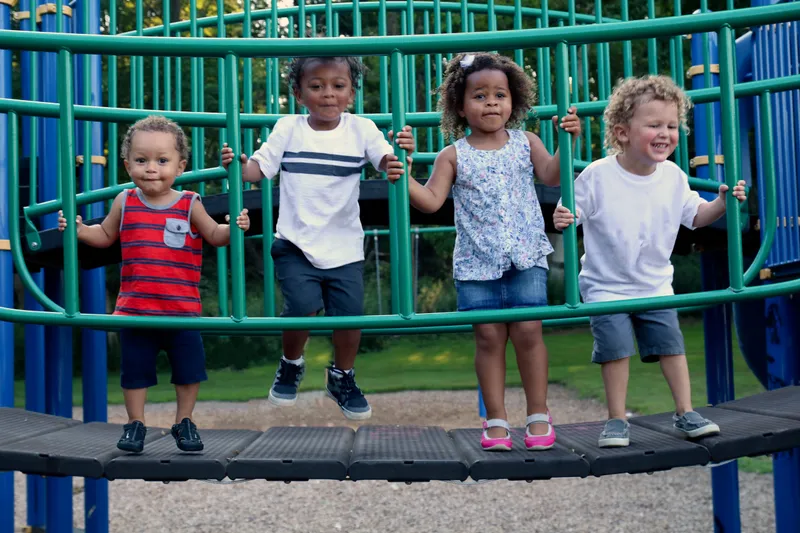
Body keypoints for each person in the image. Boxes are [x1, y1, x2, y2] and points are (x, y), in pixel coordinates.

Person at [388, 52, 581, 451]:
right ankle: (495, 420)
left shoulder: (526, 142)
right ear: (460, 105)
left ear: (514, 102)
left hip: (526, 255)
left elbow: (551, 175)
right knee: (489, 339)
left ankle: (538, 415)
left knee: (529, 333)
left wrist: (568, 142)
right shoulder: (453, 154)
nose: (491, 103)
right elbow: (430, 201)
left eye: (500, 95)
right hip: (477, 264)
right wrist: (404, 178)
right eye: (479, 96)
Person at [553, 75, 746, 447]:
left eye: (672, 126)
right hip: (607, 286)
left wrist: (721, 204)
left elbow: (695, 216)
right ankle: (616, 420)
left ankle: (685, 412)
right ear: (622, 132)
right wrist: (565, 216)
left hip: (655, 284)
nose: (665, 133)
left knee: (671, 346)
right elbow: (570, 210)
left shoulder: (672, 177)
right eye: (654, 125)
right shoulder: (598, 175)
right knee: (616, 348)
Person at [221, 56, 414, 420]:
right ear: (298, 94)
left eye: (338, 86)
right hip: (295, 242)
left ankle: (342, 376)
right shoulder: (289, 128)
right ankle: (291, 362)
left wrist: (398, 159)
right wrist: (236, 164)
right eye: (316, 86)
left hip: (344, 246)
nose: (328, 94)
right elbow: (257, 171)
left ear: (351, 93)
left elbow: (387, 161)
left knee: (350, 317)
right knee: (303, 305)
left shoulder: (361, 129)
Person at [58, 115, 250, 453]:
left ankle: (185, 421)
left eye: (162, 161)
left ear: (180, 166)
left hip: (181, 310)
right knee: (135, 372)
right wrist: (79, 230)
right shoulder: (125, 201)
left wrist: (234, 227)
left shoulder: (189, 202)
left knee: (189, 372)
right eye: (141, 160)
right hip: (135, 310)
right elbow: (105, 235)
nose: (151, 168)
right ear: (127, 164)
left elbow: (214, 236)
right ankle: (135, 424)